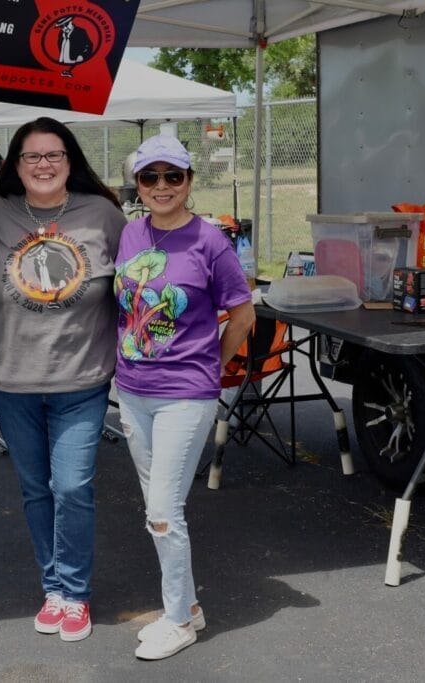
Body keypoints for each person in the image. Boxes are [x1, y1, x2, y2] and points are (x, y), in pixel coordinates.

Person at [0, 117, 126, 642]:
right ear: (14, 166)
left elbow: (139, 280)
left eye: (54, 155)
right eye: (32, 156)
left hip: (81, 379)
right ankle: (54, 590)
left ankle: (75, 592)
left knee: (72, 486)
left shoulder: (103, 214)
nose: (44, 165)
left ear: (71, 161)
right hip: (10, 379)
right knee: (35, 491)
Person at [113, 134, 255, 660]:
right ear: (138, 185)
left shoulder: (209, 241)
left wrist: (210, 368)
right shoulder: (130, 236)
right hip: (132, 391)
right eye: (150, 177)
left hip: (185, 395)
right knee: (158, 506)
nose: (161, 186)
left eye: (173, 176)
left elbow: (243, 316)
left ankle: (178, 619)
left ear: (190, 181)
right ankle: (187, 604)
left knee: (163, 511)